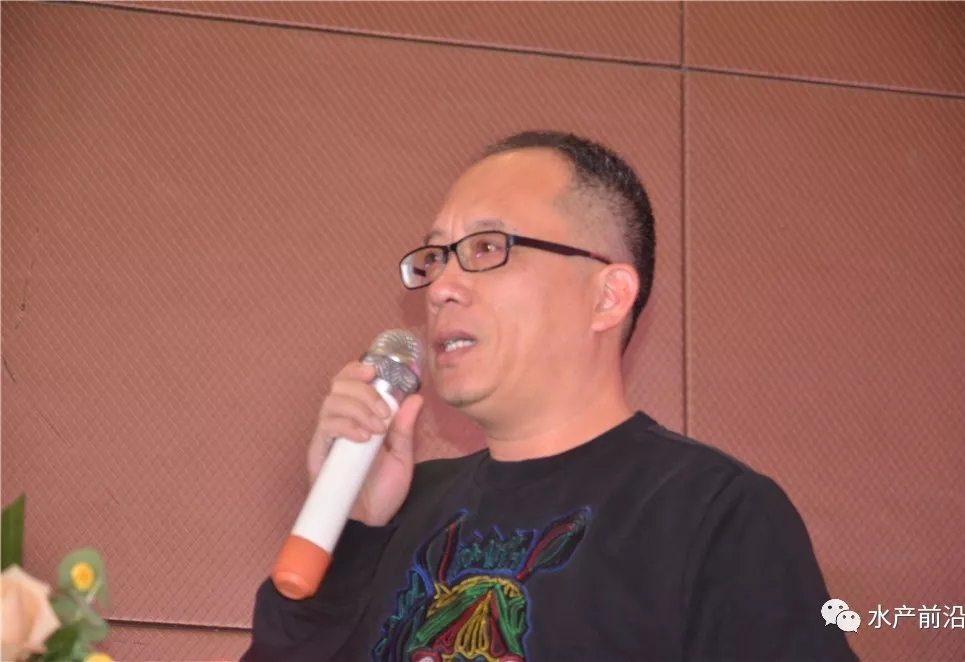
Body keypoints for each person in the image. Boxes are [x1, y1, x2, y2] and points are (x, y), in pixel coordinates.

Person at [242, 131, 859, 662]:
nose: (441, 288)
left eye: (486, 248)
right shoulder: (401, 504)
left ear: (607, 297)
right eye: (436, 258)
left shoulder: (711, 513)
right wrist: (353, 527)